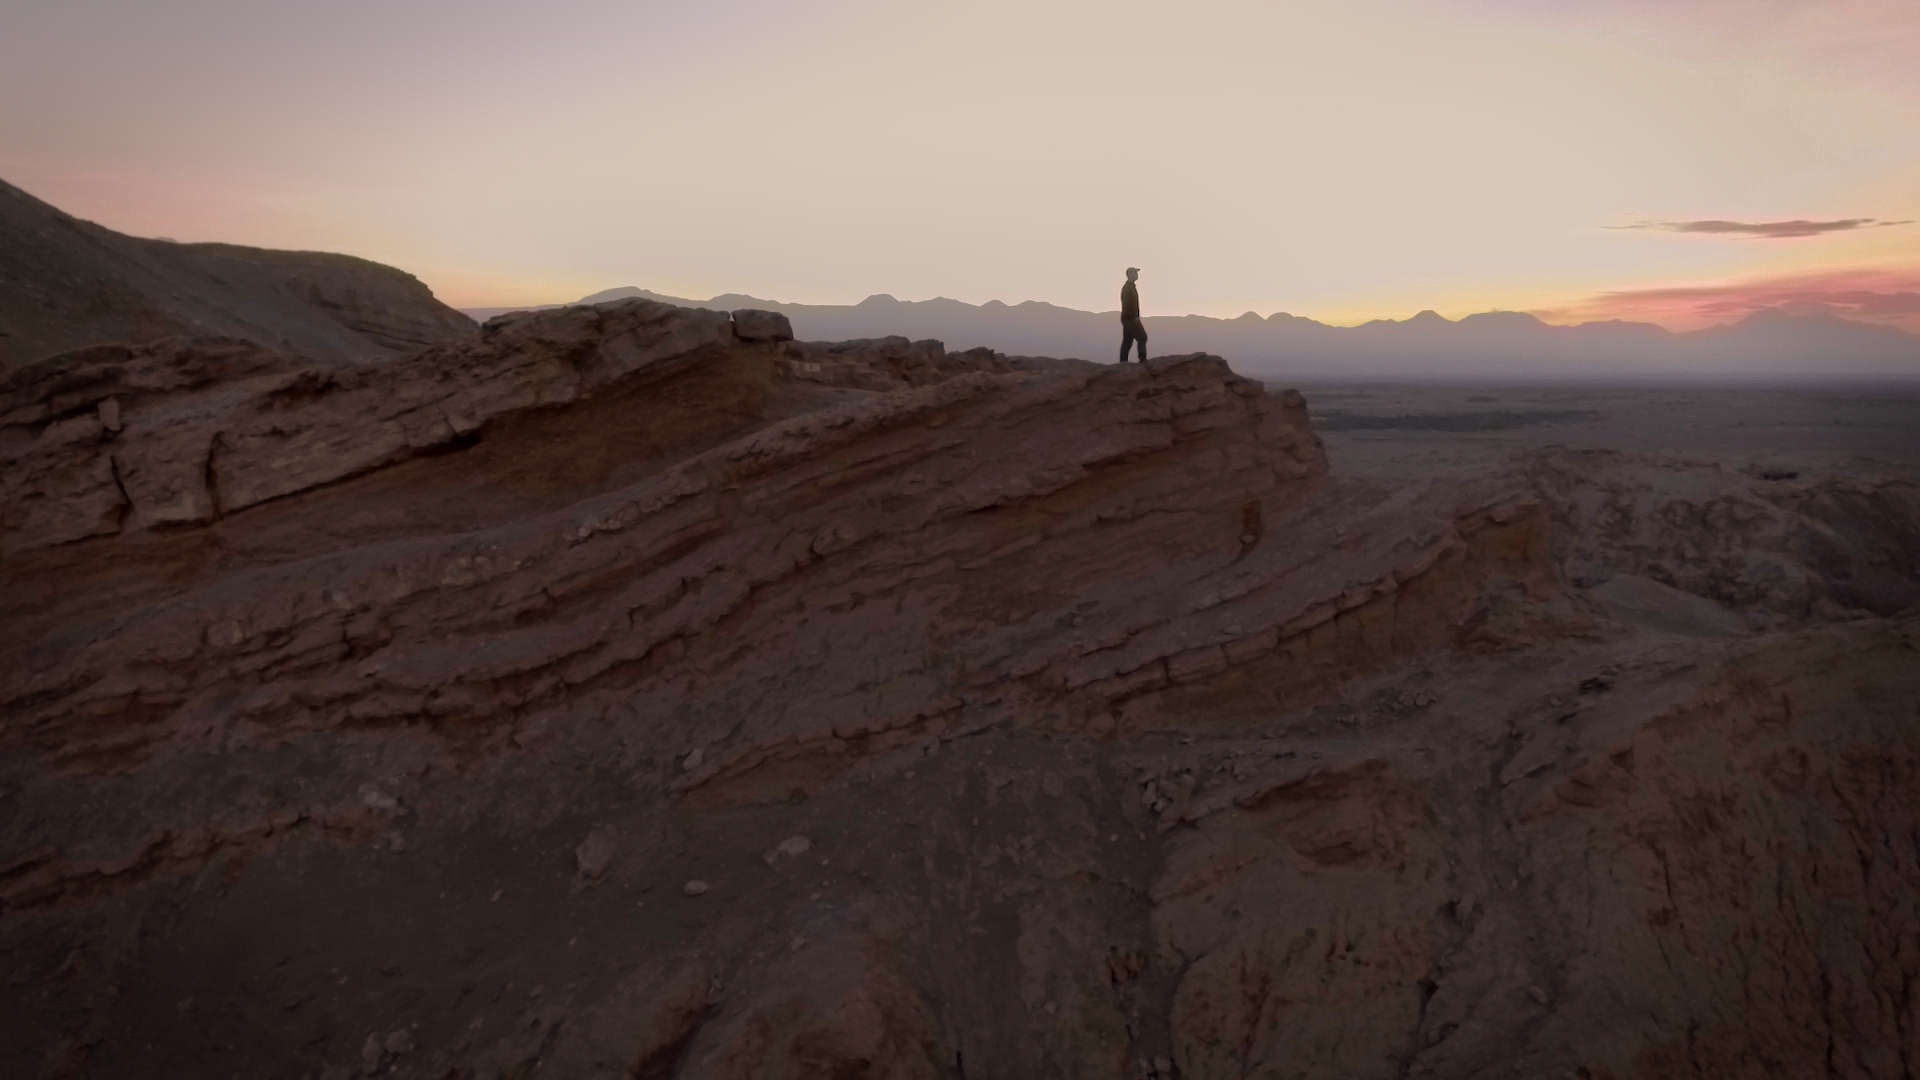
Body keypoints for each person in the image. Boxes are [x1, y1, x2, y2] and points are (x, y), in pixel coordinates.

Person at [1119, 267, 1148, 363]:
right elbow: (1128, 304)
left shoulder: (1129, 287)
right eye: (1135, 273)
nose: (1137, 274)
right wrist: (1134, 317)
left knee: (1127, 341)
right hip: (1130, 318)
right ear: (1131, 274)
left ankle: (1123, 362)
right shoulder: (1128, 288)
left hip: (1127, 318)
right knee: (1142, 337)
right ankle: (1142, 359)